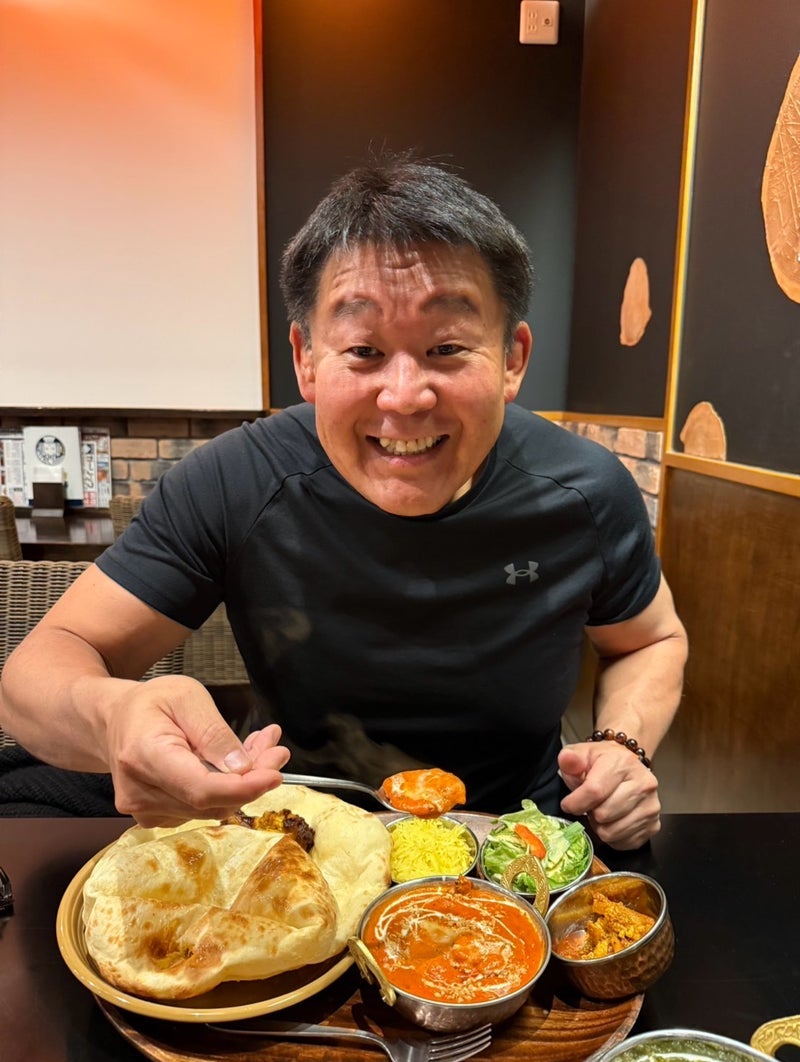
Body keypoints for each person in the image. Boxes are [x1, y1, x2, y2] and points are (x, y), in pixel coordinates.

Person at [0, 157, 687, 847]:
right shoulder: (235, 481)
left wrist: (622, 744)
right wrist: (114, 717)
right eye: (363, 350)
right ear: (305, 358)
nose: (404, 396)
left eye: (447, 347)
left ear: (512, 359)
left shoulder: (585, 490)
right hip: (298, 837)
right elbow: (36, 673)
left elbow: (651, 640)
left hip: (520, 842)